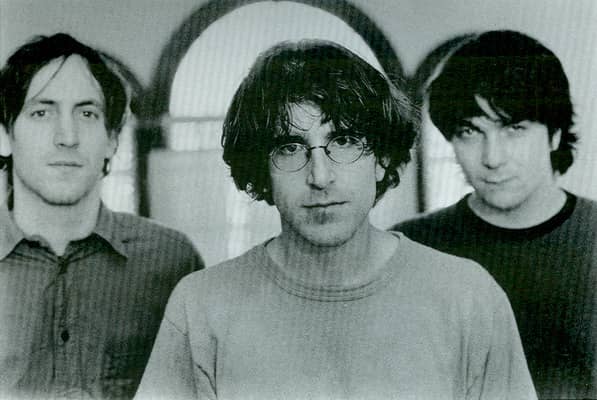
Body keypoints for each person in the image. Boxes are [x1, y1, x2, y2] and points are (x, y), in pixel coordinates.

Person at [135, 40, 536, 400]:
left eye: (344, 141)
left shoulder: (468, 298)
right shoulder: (201, 306)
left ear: (381, 158)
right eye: (290, 147)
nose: (320, 177)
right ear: (261, 170)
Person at [393, 30, 597, 399]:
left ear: (554, 134)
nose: (492, 158)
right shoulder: (410, 248)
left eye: (514, 128)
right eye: (470, 131)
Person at [0, 33, 204, 399]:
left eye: (87, 113)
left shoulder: (173, 262)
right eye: (42, 112)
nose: (67, 137)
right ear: (4, 135)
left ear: (111, 140)